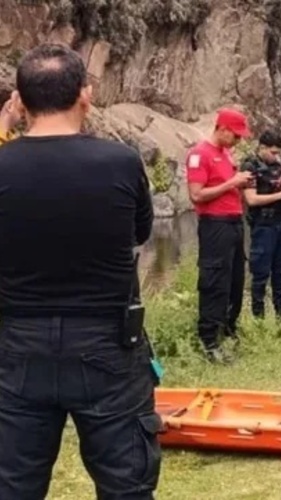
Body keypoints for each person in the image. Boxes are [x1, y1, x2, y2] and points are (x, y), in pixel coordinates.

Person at [0, 43, 160, 498]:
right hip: (108, 343)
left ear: (20, 99)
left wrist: (4, 127)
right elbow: (141, 233)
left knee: (12, 485)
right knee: (125, 485)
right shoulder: (120, 162)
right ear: (85, 94)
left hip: (19, 345)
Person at [185, 108, 253, 364]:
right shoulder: (199, 154)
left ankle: (228, 329)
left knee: (235, 280)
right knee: (215, 280)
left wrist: (240, 184)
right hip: (215, 224)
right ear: (222, 129)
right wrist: (231, 184)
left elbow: (227, 187)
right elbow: (196, 195)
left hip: (234, 222)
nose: (238, 141)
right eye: (235, 136)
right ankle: (208, 340)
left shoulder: (226, 154)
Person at [242, 130, 281, 325]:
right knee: (260, 274)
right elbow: (251, 199)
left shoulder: (277, 166)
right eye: (273, 152)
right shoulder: (249, 166)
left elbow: (279, 188)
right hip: (264, 227)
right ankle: (259, 320)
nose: (276, 156)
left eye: (278, 153)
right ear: (262, 148)